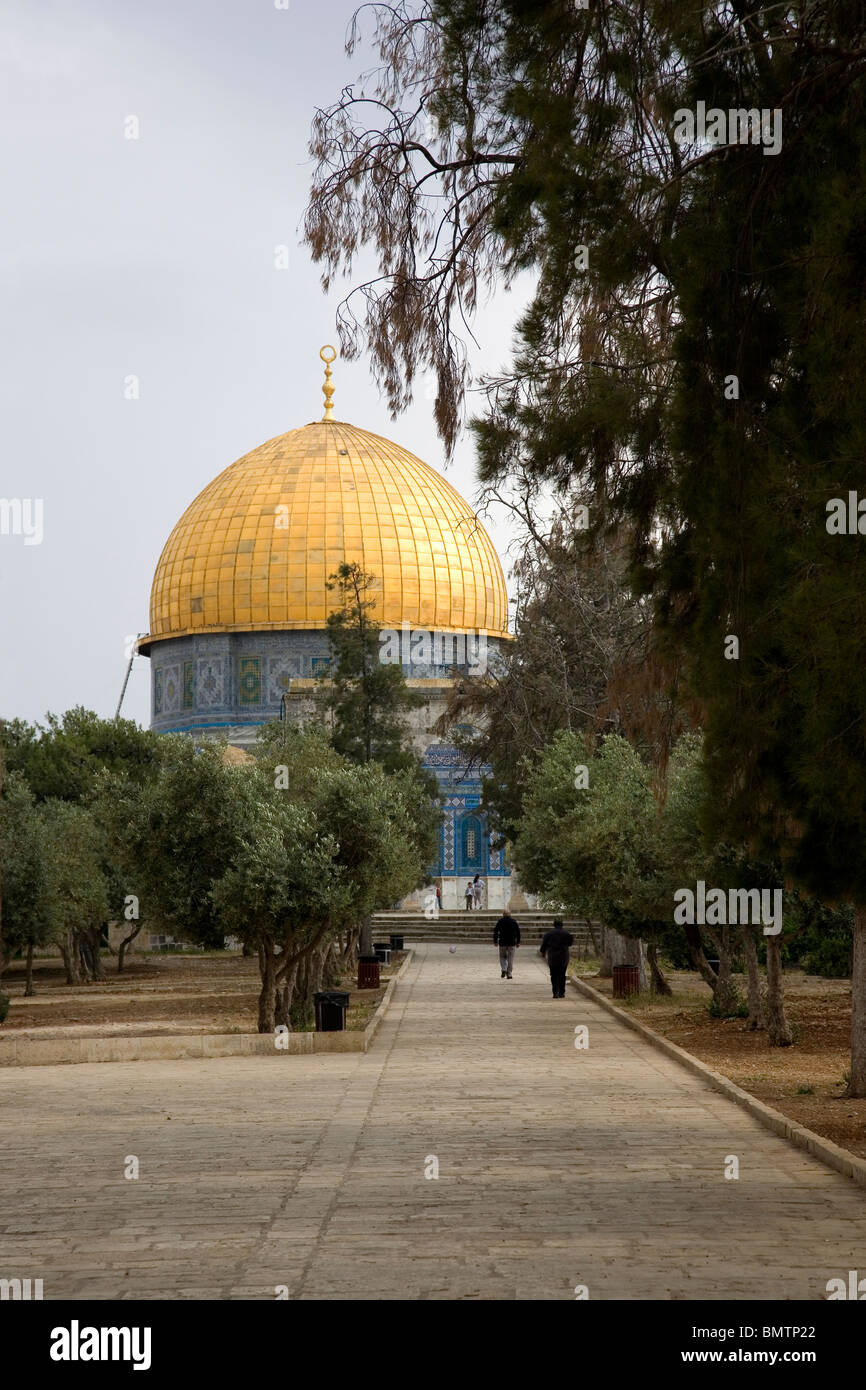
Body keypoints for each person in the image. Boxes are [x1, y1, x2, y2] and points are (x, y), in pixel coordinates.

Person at [539, 918, 575, 998]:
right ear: (562, 924)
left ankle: (555, 992)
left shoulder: (549, 934)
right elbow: (570, 943)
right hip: (563, 956)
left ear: (554, 924)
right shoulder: (567, 933)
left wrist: (543, 952)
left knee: (554, 975)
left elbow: (544, 944)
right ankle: (562, 992)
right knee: (562, 974)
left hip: (553, 956)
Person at [493, 911, 521, 979]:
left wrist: (495, 941)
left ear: (503, 914)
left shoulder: (500, 921)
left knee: (502, 956)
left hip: (502, 942)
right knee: (510, 958)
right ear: (510, 914)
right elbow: (518, 932)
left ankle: (504, 969)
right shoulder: (513, 921)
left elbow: (496, 931)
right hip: (511, 942)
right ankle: (509, 974)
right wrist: (518, 942)